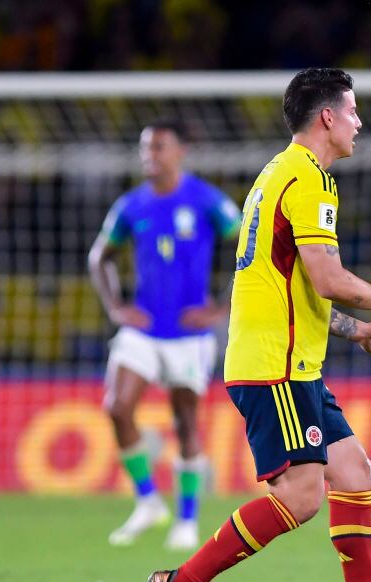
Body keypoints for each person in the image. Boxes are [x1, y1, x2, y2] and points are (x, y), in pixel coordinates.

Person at [145, 68, 371, 582]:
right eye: (353, 112)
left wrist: (354, 330)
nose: (359, 123)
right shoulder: (307, 179)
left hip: (293, 365)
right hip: (275, 367)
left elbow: (292, 282)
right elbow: (328, 279)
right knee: (302, 495)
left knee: (354, 472)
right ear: (328, 117)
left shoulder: (278, 173)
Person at [88, 120, 241, 551]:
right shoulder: (131, 205)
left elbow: (249, 247)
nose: (149, 156)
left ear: (180, 151)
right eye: (144, 148)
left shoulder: (208, 200)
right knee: (117, 407)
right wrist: (115, 306)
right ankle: (148, 501)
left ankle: (187, 519)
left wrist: (220, 308)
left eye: (158, 147)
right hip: (143, 329)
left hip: (190, 333)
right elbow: (100, 256)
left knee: (185, 421)